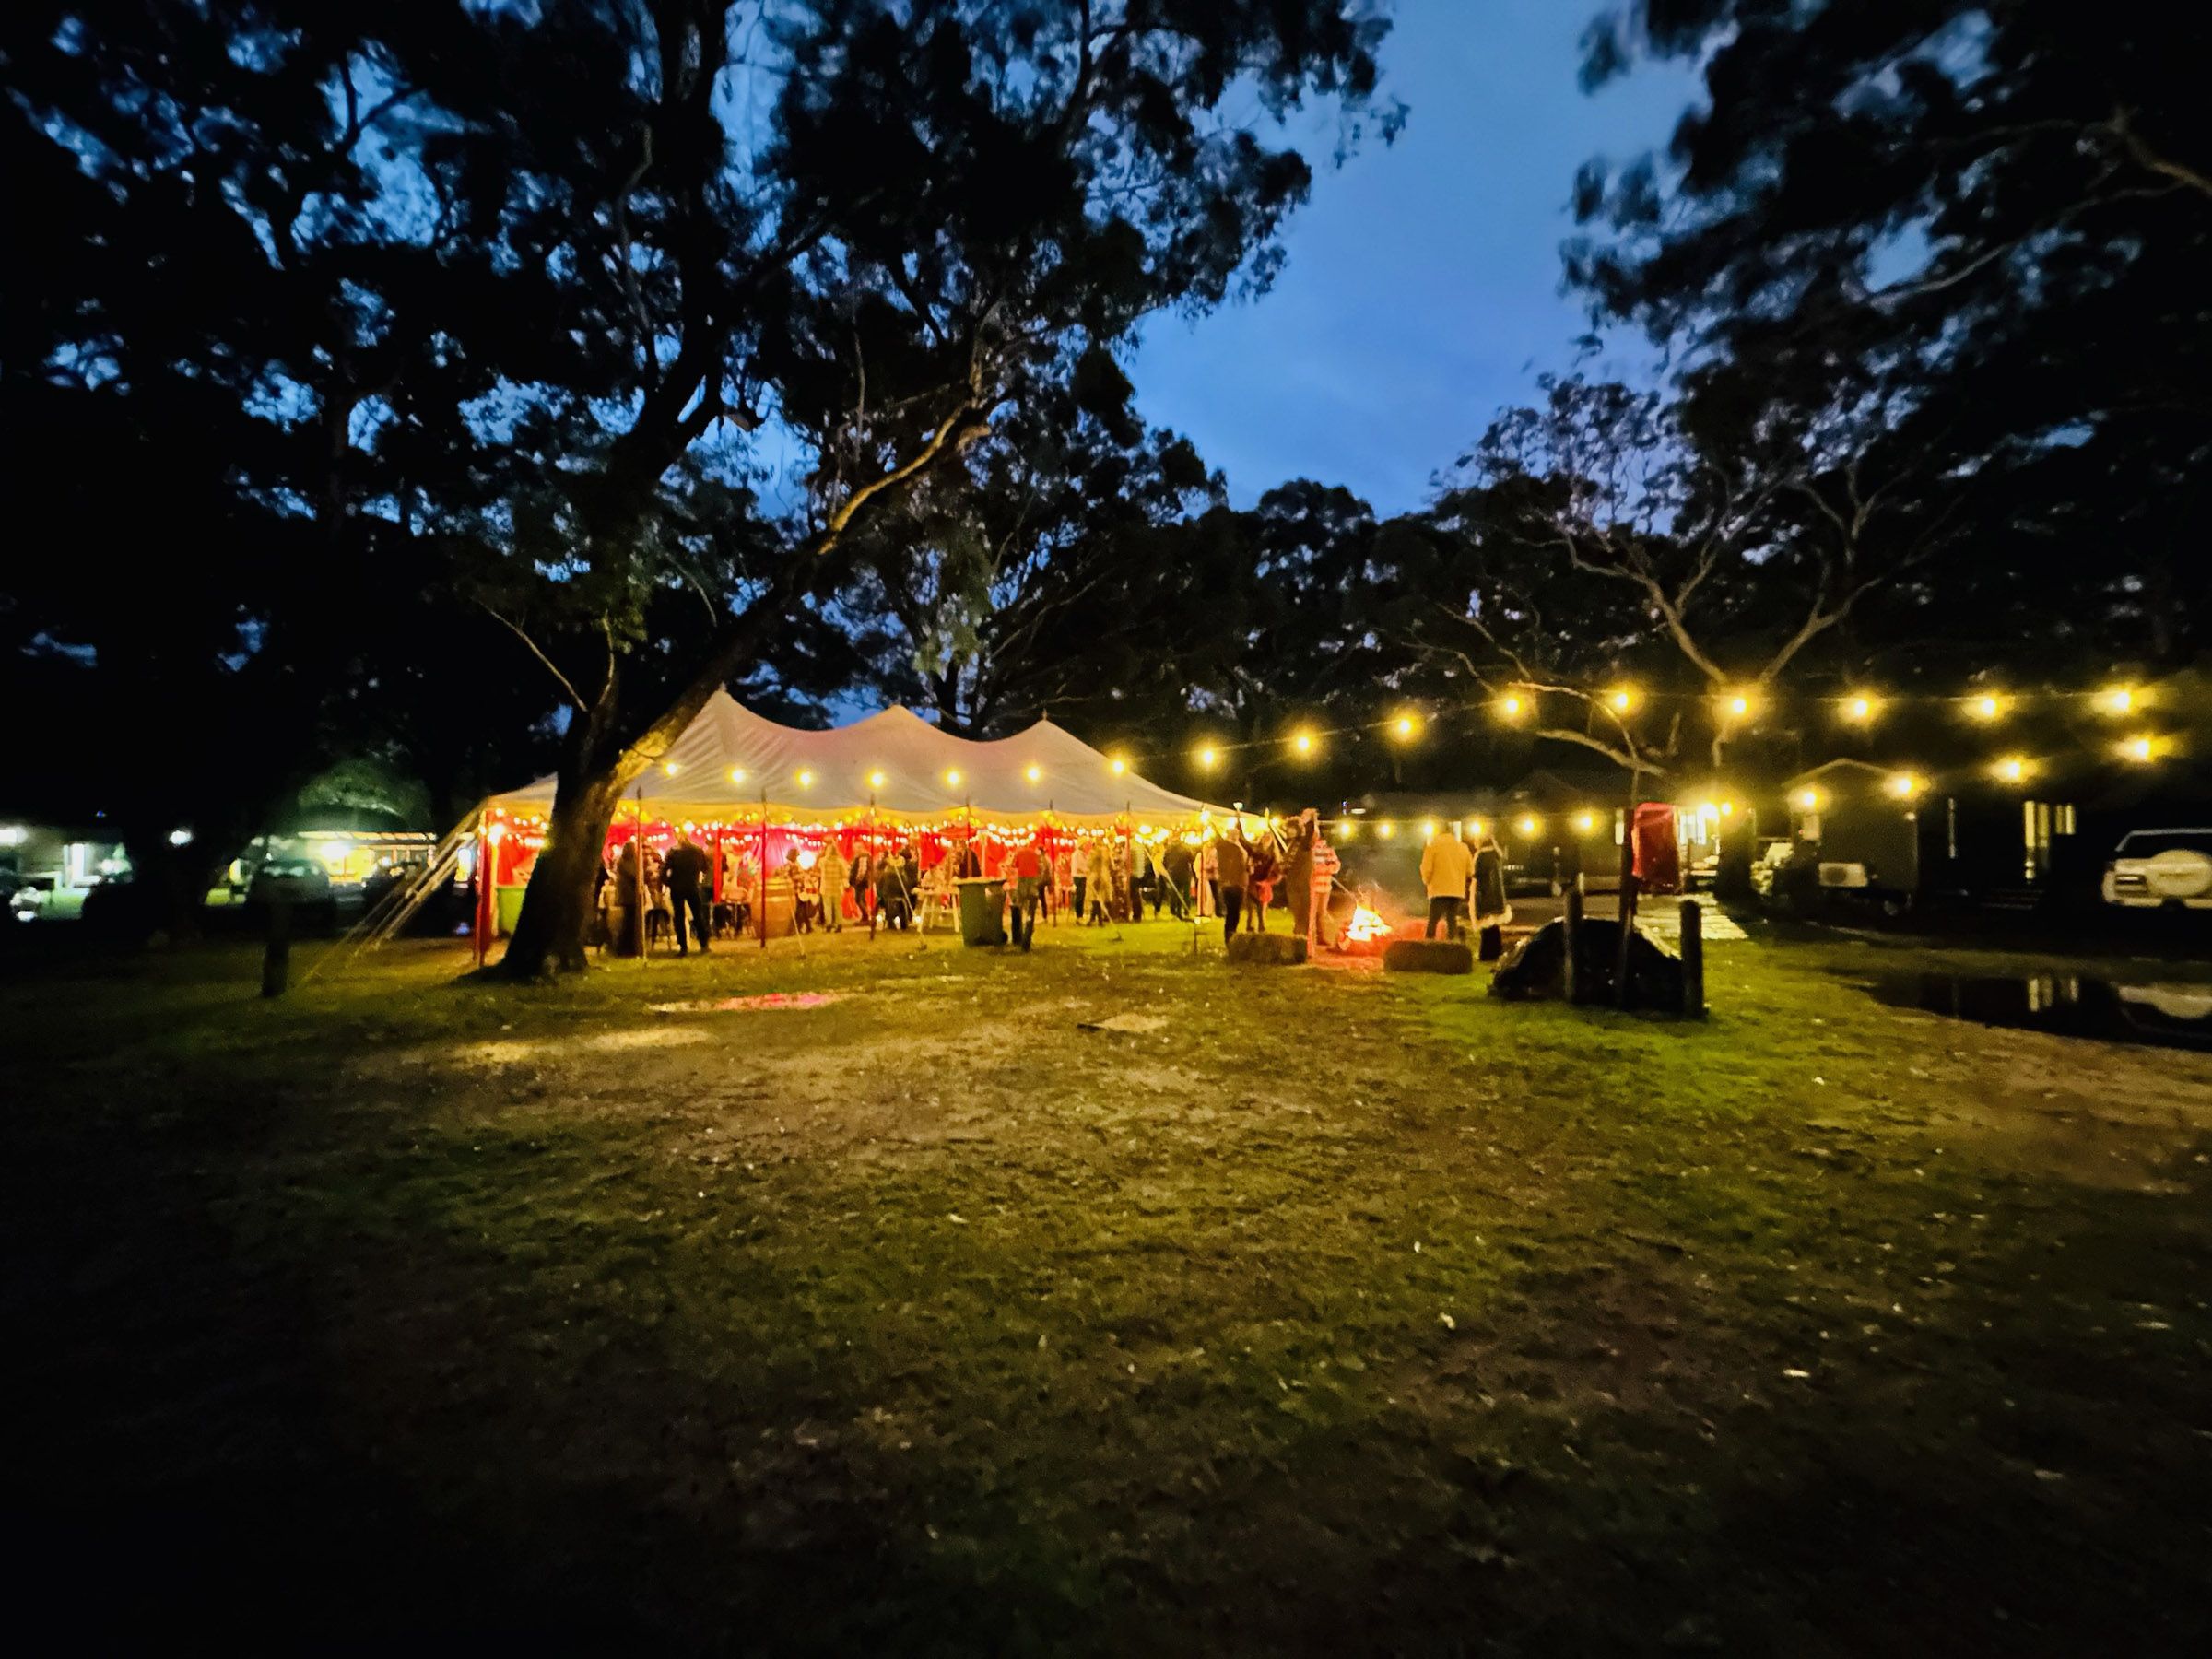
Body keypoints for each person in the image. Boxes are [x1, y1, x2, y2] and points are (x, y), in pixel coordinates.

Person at [661, 829, 713, 956]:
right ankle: (704, 944)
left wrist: (668, 882)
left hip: (677, 887)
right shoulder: (697, 851)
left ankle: (683, 946)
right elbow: (705, 868)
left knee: (679, 917)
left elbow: (664, 870)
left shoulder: (673, 852)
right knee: (698, 915)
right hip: (692, 886)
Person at [1420, 821, 1473, 940]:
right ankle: (1452, 945)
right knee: (1452, 919)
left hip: (1438, 890)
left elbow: (1426, 869)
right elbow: (1470, 870)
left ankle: (1429, 944)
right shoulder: (1462, 847)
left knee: (1433, 920)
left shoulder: (1432, 847)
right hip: (1457, 891)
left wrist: (1427, 881)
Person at [1473, 832, 1512, 961]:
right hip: (1497, 897)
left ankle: (1486, 954)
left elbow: (1477, 876)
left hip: (1486, 896)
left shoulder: (1482, 856)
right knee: (1495, 928)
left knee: (1486, 928)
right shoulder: (1495, 855)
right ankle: (1496, 952)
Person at [1284, 810, 1318, 944]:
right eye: (1288, 829)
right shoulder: (1291, 844)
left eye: (1292, 829)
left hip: (1302, 885)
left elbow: (1310, 833)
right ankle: (1298, 939)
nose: (1289, 832)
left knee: (1303, 915)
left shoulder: (1304, 844)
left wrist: (1310, 820)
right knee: (1297, 915)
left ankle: (1302, 942)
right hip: (1292, 884)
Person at [1212, 827, 1250, 945]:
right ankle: (1229, 937)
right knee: (1231, 912)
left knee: (1236, 912)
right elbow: (1218, 839)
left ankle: (1232, 935)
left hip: (1240, 883)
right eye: (1232, 834)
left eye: (1236, 834)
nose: (1234, 836)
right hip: (1229, 884)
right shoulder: (1224, 846)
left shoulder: (1240, 847)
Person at [1009, 835, 1044, 950]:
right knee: (1031, 913)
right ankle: (1027, 939)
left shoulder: (1019, 853)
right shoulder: (1035, 854)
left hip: (1023, 884)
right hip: (1033, 886)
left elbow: (1014, 865)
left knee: (1019, 908)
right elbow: (1040, 869)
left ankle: (1018, 936)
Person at [1245, 833, 1277, 932]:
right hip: (1252, 884)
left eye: (1269, 839)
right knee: (1251, 910)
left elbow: (1275, 873)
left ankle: (1262, 929)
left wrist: (1266, 882)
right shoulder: (1254, 852)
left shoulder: (1273, 856)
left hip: (1263, 886)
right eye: (1265, 838)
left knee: (1261, 910)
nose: (1266, 840)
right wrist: (1249, 867)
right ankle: (1250, 930)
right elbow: (1248, 864)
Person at [1159, 834, 1194, 922]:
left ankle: (1174, 911)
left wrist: (1169, 869)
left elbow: (1164, 861)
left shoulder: (1168, 849)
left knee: (1174, 893)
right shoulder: (1186, 848)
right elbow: (1192, 858)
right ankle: (1185, 910)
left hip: (1172, 873)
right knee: (1185, 893)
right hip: (1184, 873)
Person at [818, 836, 848, 933]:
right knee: (837, 907)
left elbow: (819, 864)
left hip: (826, 888)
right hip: (837, 887)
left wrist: (826, 854)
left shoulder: (823, 861)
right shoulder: (840, 862)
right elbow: (845, 874)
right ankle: (839, 925)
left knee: (828, 907)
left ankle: (829, 924)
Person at [1070, 838, 1090, 920]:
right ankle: (1079, 915)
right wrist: (1086, 871)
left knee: (1082, 896)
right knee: (1079, 896)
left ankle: (1080, 914)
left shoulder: (1083, 854)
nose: (1086, 846)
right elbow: (1077, 868)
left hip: (1083, 877)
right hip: (1078, 877)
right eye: (1085, 844)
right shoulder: (1076, 854)